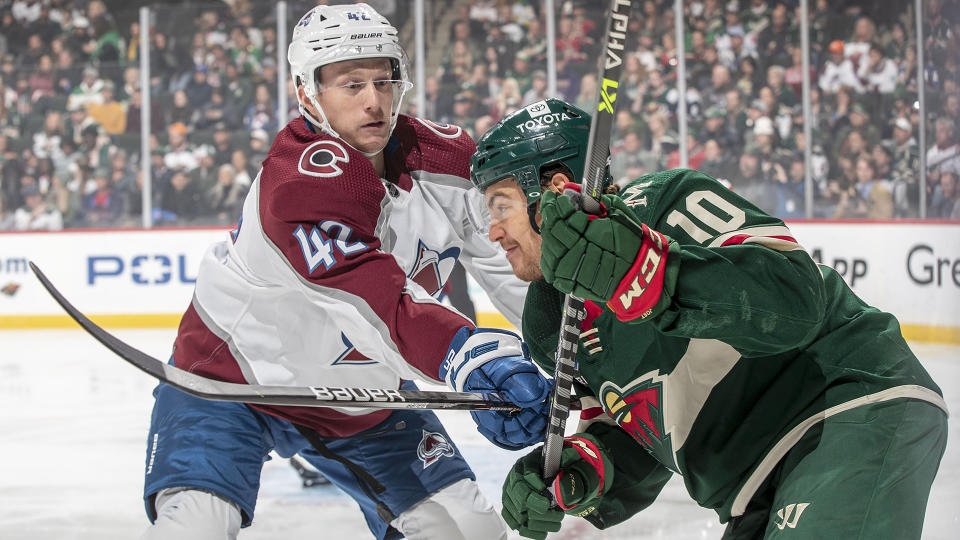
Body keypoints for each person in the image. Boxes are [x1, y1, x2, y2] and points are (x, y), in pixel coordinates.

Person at [141, 5, 552, 540]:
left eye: (384, 80)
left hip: (364, 399)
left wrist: (562, 350)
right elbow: (373, 305)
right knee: (194, 528)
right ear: (307, 92)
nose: (373, 101)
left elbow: (510, 259)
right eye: (351, 84)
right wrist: (470, 356)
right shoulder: (298, 185)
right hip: (232, 383)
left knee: (468, 532)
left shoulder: (447, 159)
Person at [469, 99, 948, 540]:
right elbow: (639, 436)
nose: (493, 231)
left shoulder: (664, 203)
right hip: (749, 487)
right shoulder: (549, 320)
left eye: (502, 206)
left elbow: (794, 301)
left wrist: (648, 272)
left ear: (553, 187)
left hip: (847, 406)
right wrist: (579, 470)